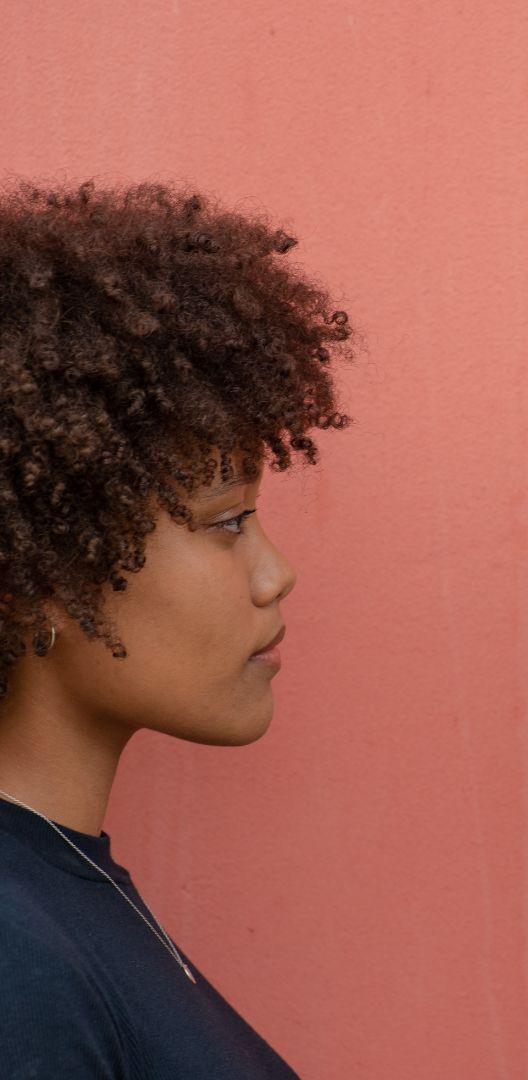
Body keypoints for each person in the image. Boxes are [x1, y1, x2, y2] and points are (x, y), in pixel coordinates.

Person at [0, 179, 351, 1076]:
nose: (277, 574)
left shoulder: (56, 894)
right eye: (227, 521)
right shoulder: (15, 960)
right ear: (40, 560)